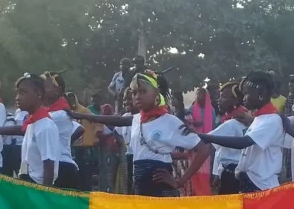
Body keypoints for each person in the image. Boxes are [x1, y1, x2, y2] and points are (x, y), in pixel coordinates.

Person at [67, 72, 210, 196]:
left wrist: (179, 181)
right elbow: (113, 120)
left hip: (161, 189)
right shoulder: (136, 119)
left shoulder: (170, 121)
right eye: (134, 92)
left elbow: (203, 149)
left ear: (155, 93)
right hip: (139, 185)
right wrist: (84, 115)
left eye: (143, 92)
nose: (137, 97)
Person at [189, 71, 284, 193]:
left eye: (247, 94)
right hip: (250, 183)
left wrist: (207, 137)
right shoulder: (259, 118)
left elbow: (243, 142)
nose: (244, 99)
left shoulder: (272, 120)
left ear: (261, 93)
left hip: (262, 187)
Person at [208, 81, 250, 195]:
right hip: (238, 172)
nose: (219, 100)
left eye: (224, 97)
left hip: (231, 174)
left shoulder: (232, 123)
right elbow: (220, 150)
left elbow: (205, 140)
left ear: (236, 100)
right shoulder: (246, 118)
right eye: (220, 96)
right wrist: (217, 172)